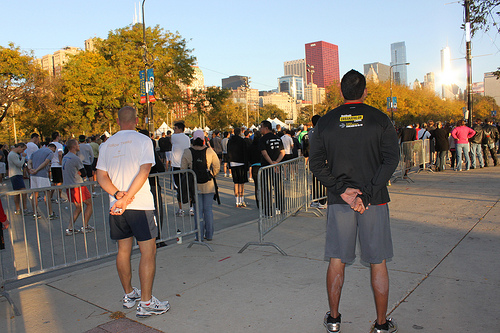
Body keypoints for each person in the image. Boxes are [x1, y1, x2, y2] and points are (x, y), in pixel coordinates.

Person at [309, 70, 400, 333]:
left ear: (340, 91)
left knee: (337, 258)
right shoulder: (380, 119)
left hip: (341, 202)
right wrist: (368, 193)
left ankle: (334, 320)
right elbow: (391, 159)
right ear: (365, 91)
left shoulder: (325, 122)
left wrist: (343, 190)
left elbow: (315, 163)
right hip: (374, 201)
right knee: (378, 260)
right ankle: (381, 324)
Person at [96, 106, 169, 318]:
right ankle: (146, 302)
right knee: (148, 251)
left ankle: (129, 294)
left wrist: (118, 195)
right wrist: (128, 197)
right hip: (140, 205)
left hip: (117, 206)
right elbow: (145, 170)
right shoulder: (143, 141)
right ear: (136, 121)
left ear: (118, 121)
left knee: (123, 250)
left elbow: (101, 177)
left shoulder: (106, 145)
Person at [181, 130, 220, 241]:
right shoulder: (210, 151)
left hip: (195, 185)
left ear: (193, 139)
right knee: (208, 210)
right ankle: (209, 234)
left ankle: (199, 235)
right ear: (203, 139)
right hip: (208, 184)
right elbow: (217, 166)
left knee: (198, 211)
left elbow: (182, 168)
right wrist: (212, 174)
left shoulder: (187, 152)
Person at [62, 139, 94, 235]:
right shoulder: (75, 158)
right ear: (74, 146)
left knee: (78, 207)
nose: (79, 146)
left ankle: (70, 228)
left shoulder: (65, 157)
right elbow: (84, 172)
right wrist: (82, 174)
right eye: (77, 145)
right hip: (77, 185)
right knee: (89, 204)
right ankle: (85, 226)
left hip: (69, 185)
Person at [259, 120, 285, 216]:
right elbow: (283, 152)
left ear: (266, 128)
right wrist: (277, 162)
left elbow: (264, 153)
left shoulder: (262, 139)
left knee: (267, 189)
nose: (260, 129)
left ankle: (268, 211)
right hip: (277, 167)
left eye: (261, 127)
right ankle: (280, 208)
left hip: (267, 167)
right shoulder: (278, 138)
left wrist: (271, 164)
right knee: (278, 187)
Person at [28, 143, 58, 219]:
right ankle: (50, 213)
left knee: (34, 194)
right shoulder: (50, 153)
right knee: (47, 193)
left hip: (33, 175)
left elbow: (29, 161)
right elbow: (46, 162)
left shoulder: (36, 152)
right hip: (42, 175)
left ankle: (35, 213)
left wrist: (31, 169)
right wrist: (37, 170)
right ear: (53, 148)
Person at [171, 122, 192, 216]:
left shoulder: (174, 137)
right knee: (189, 187)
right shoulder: (187, 138)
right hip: (186, 165)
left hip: (176, 166)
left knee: (178, 189)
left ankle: (181, 209)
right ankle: (191, 208)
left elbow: (171, 141)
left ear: (180, 129)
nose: (174, 130)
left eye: (175, 128)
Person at [227, 127, 249, 207]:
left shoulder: (230, 141)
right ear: (240, 133)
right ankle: (241, 200)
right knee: (241, 183)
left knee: (235, 182)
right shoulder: (242, 141)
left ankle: (236, 201)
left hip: (233, 163)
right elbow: (245, 153)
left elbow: (228, 151)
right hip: (241, 163)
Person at [8, 143, 31, 215]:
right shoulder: (12, 155)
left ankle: (19, 209)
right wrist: (23, 157)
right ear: (19, 147)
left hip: (16, 174)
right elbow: (19, 164)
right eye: (23, 149)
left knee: (17, 192)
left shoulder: (14, 154)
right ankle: (24, 208)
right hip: (15, 174)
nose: (23, 151)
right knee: (23, 192)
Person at [50, 132, 66, 203]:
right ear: (57, 137)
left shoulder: (50, 144)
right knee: (59, 181)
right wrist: (61, 162)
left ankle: (50, 196)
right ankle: (59, 197)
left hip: (52, 164)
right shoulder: (59, 145)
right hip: (58, 165)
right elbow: (60, 153)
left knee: (54, 181)